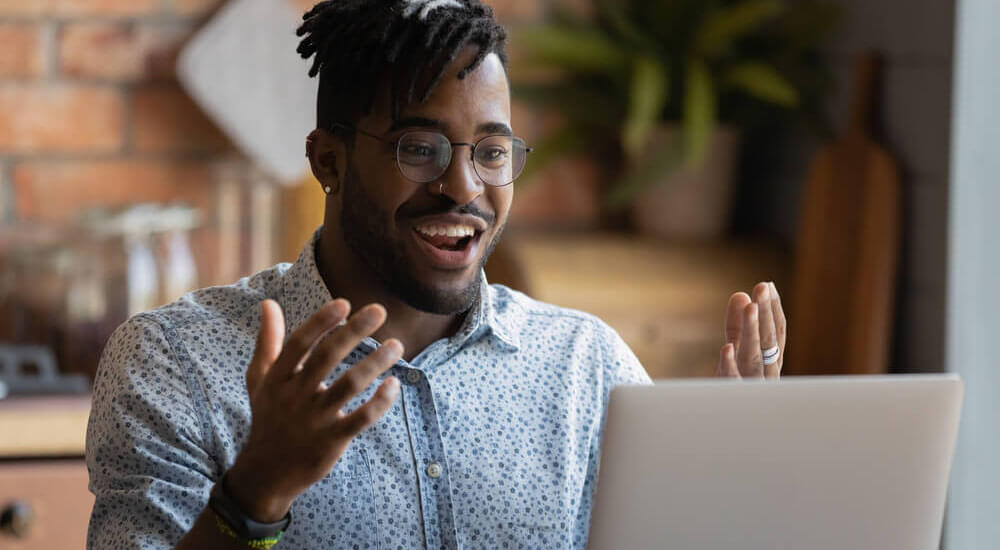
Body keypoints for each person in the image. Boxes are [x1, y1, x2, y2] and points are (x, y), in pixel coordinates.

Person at [85, 1, 787, 548]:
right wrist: (255, 494)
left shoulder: (586, 366)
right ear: (328, 161)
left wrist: (734, 485)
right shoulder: (176, 361)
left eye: (491, 151)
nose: (463, 187)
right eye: (419, 148)